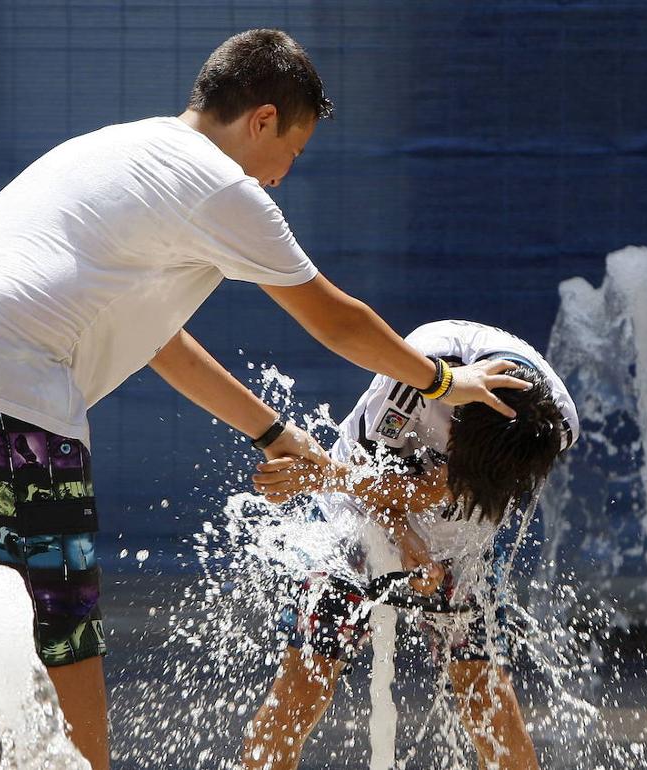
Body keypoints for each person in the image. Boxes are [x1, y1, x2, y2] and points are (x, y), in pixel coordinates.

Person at [0, 31, 527, 770]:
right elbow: (336, 318)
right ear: (263, 120)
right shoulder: (220, 185)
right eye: (293, 153)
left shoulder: (124, 150)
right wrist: (442, 380)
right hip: (11, 377)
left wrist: (273, 434)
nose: (283, 177)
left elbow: (159, 340)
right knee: (67, 637)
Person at [243, 320, 579, 770]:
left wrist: (437, 531)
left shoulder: (555, 424)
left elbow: (463, 493)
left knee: (484, 694)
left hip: (461, 543)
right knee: (306, 683)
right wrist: (400, 535)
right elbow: (365, 471)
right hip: (355, 514)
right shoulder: (417, 369)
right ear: (455, 418)